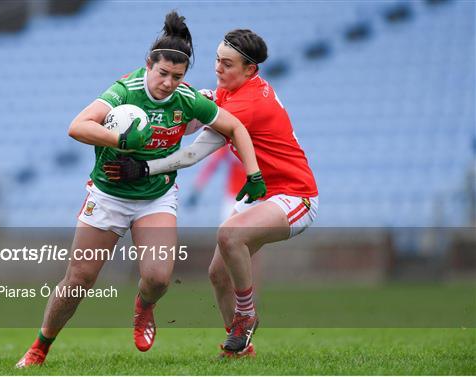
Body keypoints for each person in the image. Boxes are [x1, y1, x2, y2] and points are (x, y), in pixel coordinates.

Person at [16, 15, 266, 368]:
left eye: (176, 77)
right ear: (148, 65)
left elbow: (235, 125)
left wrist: (253, 173)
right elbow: (77, 126)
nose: (167, 83)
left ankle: (143, 307)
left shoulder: (186, 99)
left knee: (158, 278)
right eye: (162, 73)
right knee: (79, 281)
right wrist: (119, 137)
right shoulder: (124, 92)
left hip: (155, 197)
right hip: (108, 195)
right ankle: (40, 347)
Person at [105, 29, 318, 358]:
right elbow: (195, 109)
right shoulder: (230, 92)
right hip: (261, 195)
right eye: (217, 60)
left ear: (250, 70)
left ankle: (245, 316)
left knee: (230, 235)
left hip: (294, 196)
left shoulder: (249, 103)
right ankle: (238, 348)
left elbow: (194, 151)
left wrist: (148, 167)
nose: (218, 68)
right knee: (218, 274)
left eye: (228, 64)